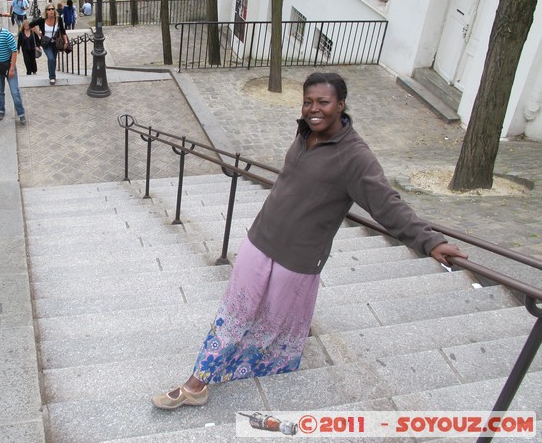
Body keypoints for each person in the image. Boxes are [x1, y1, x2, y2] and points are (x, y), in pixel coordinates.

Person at [151, 72, 468, 410]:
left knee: (275, 328)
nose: (313, 109)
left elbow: (386, 204)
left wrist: (429, 242)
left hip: (297, 261)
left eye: (323, 102)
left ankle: (259, 377)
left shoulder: (355, 157)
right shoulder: (305, 133)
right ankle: (197, 383)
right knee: (234, 314)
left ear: (341, 105)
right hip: (260, 240)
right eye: (308, 102)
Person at [0, 13, 26, 124]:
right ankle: (1, 110)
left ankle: (21, 113)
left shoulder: (6, 34)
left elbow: (14, 51)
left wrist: (12, 69)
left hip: (8, 66)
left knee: (15, 92)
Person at [29, 3, 68, 85]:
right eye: (49, 9)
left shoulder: (58, 19)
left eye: (52, 9)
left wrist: (66, 41)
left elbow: (62, 30)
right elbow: (31, 25)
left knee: (53, 59)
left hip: (56, 42)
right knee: (51, 58)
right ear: (46, 11)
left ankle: (53, 75)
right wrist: (39, 33)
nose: (51, 11)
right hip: (46, 43)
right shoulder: (42, 20)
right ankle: (52, 77)